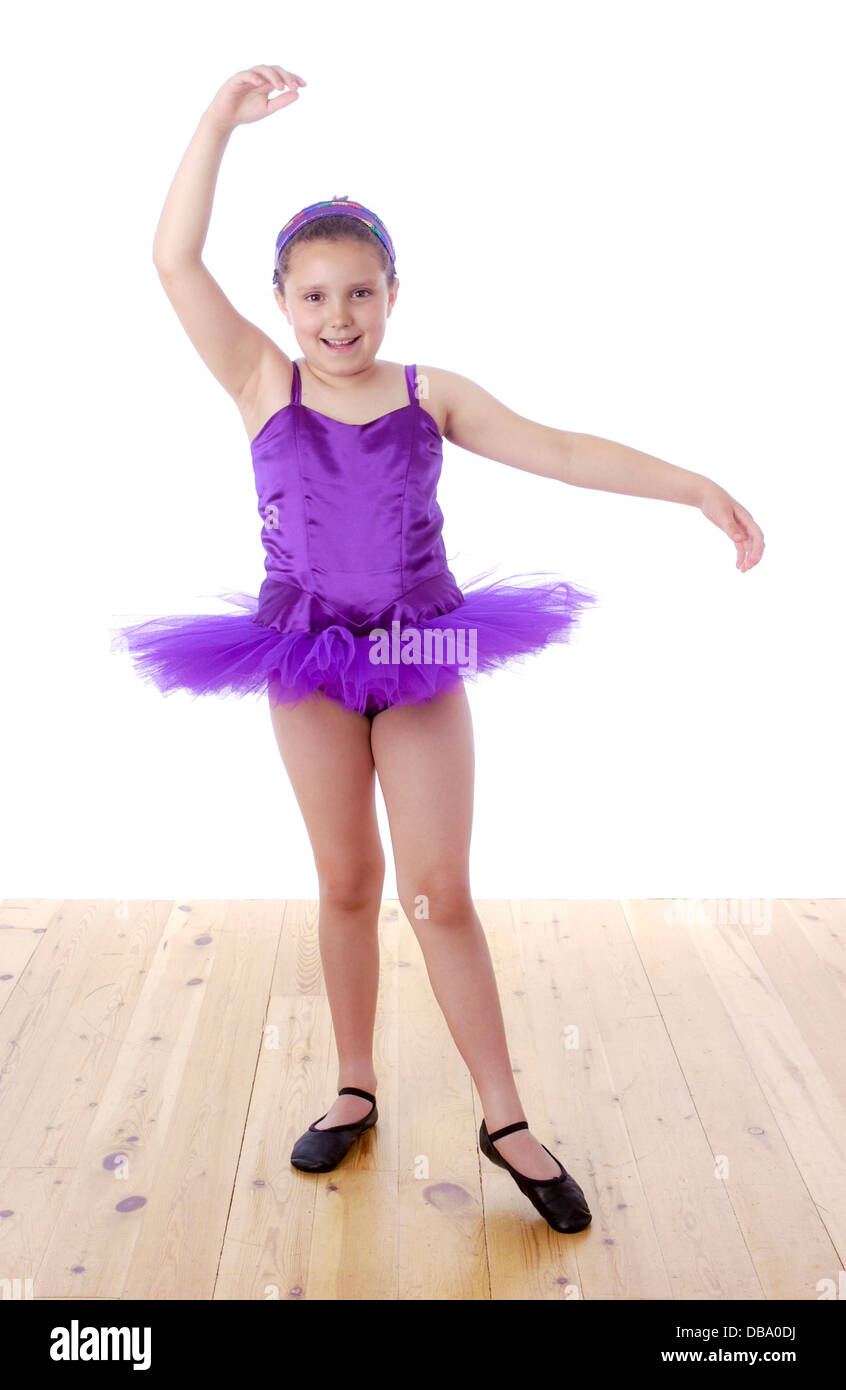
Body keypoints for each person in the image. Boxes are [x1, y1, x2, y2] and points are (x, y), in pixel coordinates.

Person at [111, 64, 765, 1235]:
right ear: (283, 302)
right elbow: (170, 262)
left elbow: (559, 449)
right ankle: (354, 1081)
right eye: (314, 297)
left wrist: (691, 486)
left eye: (359, 293)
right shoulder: (263, 382)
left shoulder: (430, 392)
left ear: (393, 293)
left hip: (423, 647)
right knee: (348, 883)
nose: (338, 319)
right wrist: (215, 122)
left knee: (437, 889)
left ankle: (504, 1112)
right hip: (306, 657)